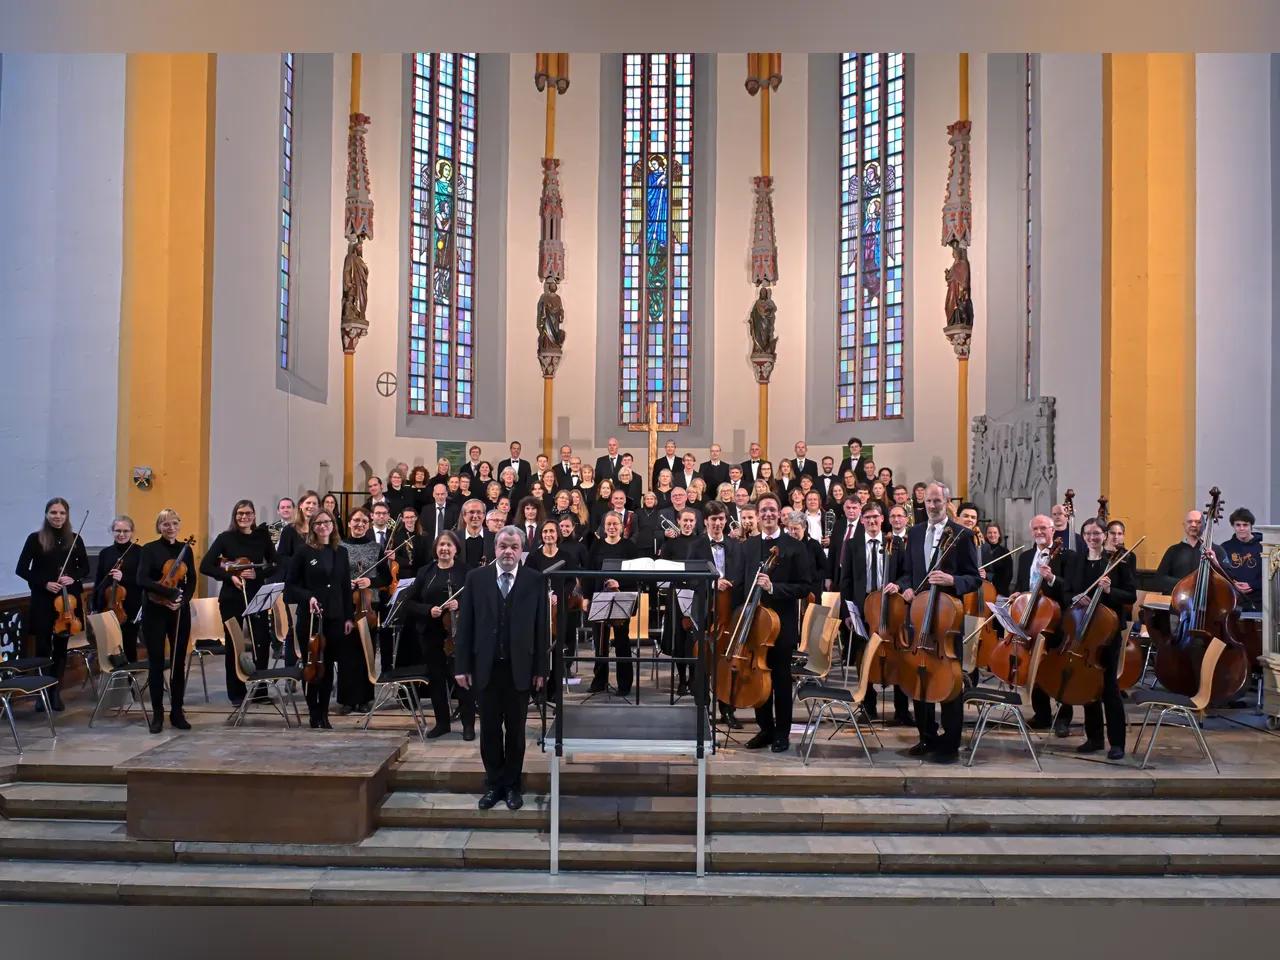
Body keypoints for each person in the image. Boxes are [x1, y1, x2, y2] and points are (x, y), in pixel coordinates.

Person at [454, 527, 549, 811]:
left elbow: (541, 628)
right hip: (486, 668)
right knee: (491, 731)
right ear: (495, 548)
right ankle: (494, 784)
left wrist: (541, 669)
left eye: (514, 547)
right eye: (504, 546)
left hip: (520, 668)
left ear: (522, 550)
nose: (509, 551)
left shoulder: (535, 580)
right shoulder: (476, 578)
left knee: (517, 731)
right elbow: (466, 626)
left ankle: (512, 785)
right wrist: (462, 666)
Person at [885, 482, 979, 764]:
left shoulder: (962, 534)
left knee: (950, 681)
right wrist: (906, 587)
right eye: (928, 501)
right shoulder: (913, 533)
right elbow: (907, 573)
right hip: (918, 617)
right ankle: (926, 736)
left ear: (947, 501)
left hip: (946, 620)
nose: (933, 505)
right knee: (919, 677)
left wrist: (952, 580)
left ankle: (950, 743)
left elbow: (973, 577)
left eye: (938, 500)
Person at [741, 493, 816, 753]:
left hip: (781, 625)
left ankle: (782, 733)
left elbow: (805, 586)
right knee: (758, 676)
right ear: (758, 514)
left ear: (780, 515)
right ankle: (765, 729)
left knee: (781, 679)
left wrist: (774, 587)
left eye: (772, 510)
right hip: (753, 624)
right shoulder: (748, 546)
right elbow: (742, 582)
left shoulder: (794, 546)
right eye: (764, 510)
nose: (768, 514)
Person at [1060, 517, 1134, 760]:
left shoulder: (1117, 562)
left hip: (1107, 633)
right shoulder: (1076, 561)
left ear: (1105, 535)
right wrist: (1075, 597)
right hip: (1083, 629)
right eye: (1088, 533)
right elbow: (1067, 591)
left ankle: (1118, 743)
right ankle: (1094, 738)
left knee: (1109, 687)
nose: (1092, 537)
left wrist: (1110, 590)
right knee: (1087, 683)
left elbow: (1130, 596)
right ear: (1083, 537)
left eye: (1096, 533)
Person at [839, 502, 912, 725]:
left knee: (898, 655)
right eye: (867, 517)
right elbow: (846, 581)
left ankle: (902, 710)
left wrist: (898, 586)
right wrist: (847, 612)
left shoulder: (896, 543)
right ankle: (868, 706)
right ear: (861, 520)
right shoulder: (851, 545)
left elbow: (907, 574)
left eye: (876, 517)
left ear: (883, 519)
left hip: (890, 608)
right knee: (865, 657)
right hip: (863, 609)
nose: (872, 521)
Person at [199, 500, 277, 706]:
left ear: (253, 516)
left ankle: (261, 690)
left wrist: (258, 572)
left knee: (262, 641)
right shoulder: (225, 538)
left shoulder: (262, 537)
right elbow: (205, 566)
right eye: (240, 513)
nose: (244, 517)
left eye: (248, 513)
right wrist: (229, 576)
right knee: (234, 643)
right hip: (232, 597)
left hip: (257, 594)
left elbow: (276, 563)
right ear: (235, 516)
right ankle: (236, 692)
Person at [15, 497, 90, 711]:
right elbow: (21, 569)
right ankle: (40, 694)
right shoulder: (35, 539)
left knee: (60, 648)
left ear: (67, 516)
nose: (57, 517)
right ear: (46, 514)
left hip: (67, 601)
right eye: (53, 512)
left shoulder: (74, 539)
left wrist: (72, 577)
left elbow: (84, 568)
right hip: (43, 599)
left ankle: (55, 692)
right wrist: (44, 583)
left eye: (62, 513)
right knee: (42, 648)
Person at [402, 531, 475, 739]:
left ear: (456, 549)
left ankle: (468, 725)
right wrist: (428, 610)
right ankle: (442, 723)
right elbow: (408, 602)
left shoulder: (466, 572)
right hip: (431, 633)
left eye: (449, 545)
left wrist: (460, 603)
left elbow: (478, 599)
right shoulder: (426, 571)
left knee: (462, 680)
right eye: (441, 545)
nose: (444, 548)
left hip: (458, 634)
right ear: (436, 548)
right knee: (436, 679)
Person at [285, 510, 354, 728]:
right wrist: (309, 597)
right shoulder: (303, 553)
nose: (324, 526)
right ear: (312, 527)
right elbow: (289, 589)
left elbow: (345, 587)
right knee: (312, 667)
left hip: (335, 617)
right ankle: (313, 713)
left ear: (333, 525)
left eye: (327, 522)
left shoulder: (341, 552)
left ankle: (324, 713)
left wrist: (348, 617)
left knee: (327, 666)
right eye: (319, 523)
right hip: (311, 619)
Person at [136, 508, 197, 733]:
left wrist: (182, 600)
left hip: (179, 611)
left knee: (178, 662)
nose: (170, 527)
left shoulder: (186, 550)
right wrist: (168, 593)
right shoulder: (149, 549)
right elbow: (141, 578)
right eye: (165, 524)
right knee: (156, 663)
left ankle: (177, 712)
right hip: (154, 610)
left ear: (179, 525)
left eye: (173, 523)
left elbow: (191, 581)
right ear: (159, 527)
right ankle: (158, 715)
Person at [1014, 515, 1072, 734]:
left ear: (1052, 531)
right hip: (1030, 620)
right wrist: (1017, 593)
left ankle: (1064, 717)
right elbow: (1020, 584)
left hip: (1055, 621)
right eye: (1035, 528)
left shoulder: (1066, 557)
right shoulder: (1025, 556)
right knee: (1035, 667)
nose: (1039, 532)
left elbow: (1070, 589)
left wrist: (1052, 579)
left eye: (1043, 528)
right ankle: (1042, 714)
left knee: (1057, 669)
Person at [659, 506, 714, 696]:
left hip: (696, 595)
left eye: (692, 521)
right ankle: (681, 679)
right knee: (678, 640)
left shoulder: (702, 542)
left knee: (693, 640)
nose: (688, 524)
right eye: (685, 521)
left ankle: (693, 679)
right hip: (676, 596)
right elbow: (662, 570)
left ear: (696, 523)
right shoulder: (670, 544)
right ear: (679, 521)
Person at [587, 512, 639, 695]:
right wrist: (587, 597)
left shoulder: (629, 547)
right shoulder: (596, 545)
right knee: (600, 643)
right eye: (608, 524)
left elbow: (635, 577)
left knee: (622, 643)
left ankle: (624, 684)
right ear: (604, 526)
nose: (611, 527)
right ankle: (599, 681)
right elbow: (589, 572)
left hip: (621, 598)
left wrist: (620, 584)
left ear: (622, 526)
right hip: (600, 597)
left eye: (615, 524)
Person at [339, 509, 383, 713]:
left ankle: (365, 697)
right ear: (349, 523)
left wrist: (370, 581)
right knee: (347, 653)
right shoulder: (339, 547)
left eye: (364, 521)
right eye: (356, 520)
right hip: (346, 605)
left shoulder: (376, 548)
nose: (360, 524)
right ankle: (347, 699)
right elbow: (333, 575)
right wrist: (345, 582)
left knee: (367, 651)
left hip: (369, 607)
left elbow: (386, 579)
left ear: (369, 523)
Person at [93, 515, 142, 663]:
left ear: (132, 532)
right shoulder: (105, 553)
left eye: (126, 531)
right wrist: (95, 605)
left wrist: (124, 578)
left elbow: (142, 579)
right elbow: (99, 580)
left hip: (131, 605)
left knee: (129, 644)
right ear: (112, 531)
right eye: (118, 530)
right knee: (109, 646)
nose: (121, 534)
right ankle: (113, 677)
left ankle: (131, 678)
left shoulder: (140, 552)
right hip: (108, 605)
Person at [1216, 507, 1262, 612]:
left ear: (1251, 526)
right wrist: (1233, 585)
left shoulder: (1263, 545)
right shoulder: (1225, 547)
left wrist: (1252, 585)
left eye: (1245, 525)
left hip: (1261, 600)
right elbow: (1221, 573)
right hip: (1235, 600)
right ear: (1233, 526)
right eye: (1238, 525)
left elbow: (1272, 575)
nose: (1241, 528)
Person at [1153, 509, 1205, 592]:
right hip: (1179, 601)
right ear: (1184, 525)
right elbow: (1159, 579)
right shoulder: (1173, 551)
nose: (1193, 525)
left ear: (1204, 525)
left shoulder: (1214, 550)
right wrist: (1185, 584)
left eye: (1198, 522)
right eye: (1189, 522)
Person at [276, 490, 319, 567]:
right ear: (301, 505)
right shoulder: (289, 529)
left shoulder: (322, 529)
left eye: (314, 504)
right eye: (308, 503)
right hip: (296, 573)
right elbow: (282, 557)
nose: (311, 506)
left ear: (318, 507)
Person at [981, 523, 1013, 597]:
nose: (992, 535)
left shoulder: (1005, 552)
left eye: (995, 532)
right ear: (986, 535)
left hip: (1000, 591)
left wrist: (988, 576)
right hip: (982, 590)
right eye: (989, 533)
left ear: (999, 535)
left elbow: (1008, 575)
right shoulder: (980, 550)